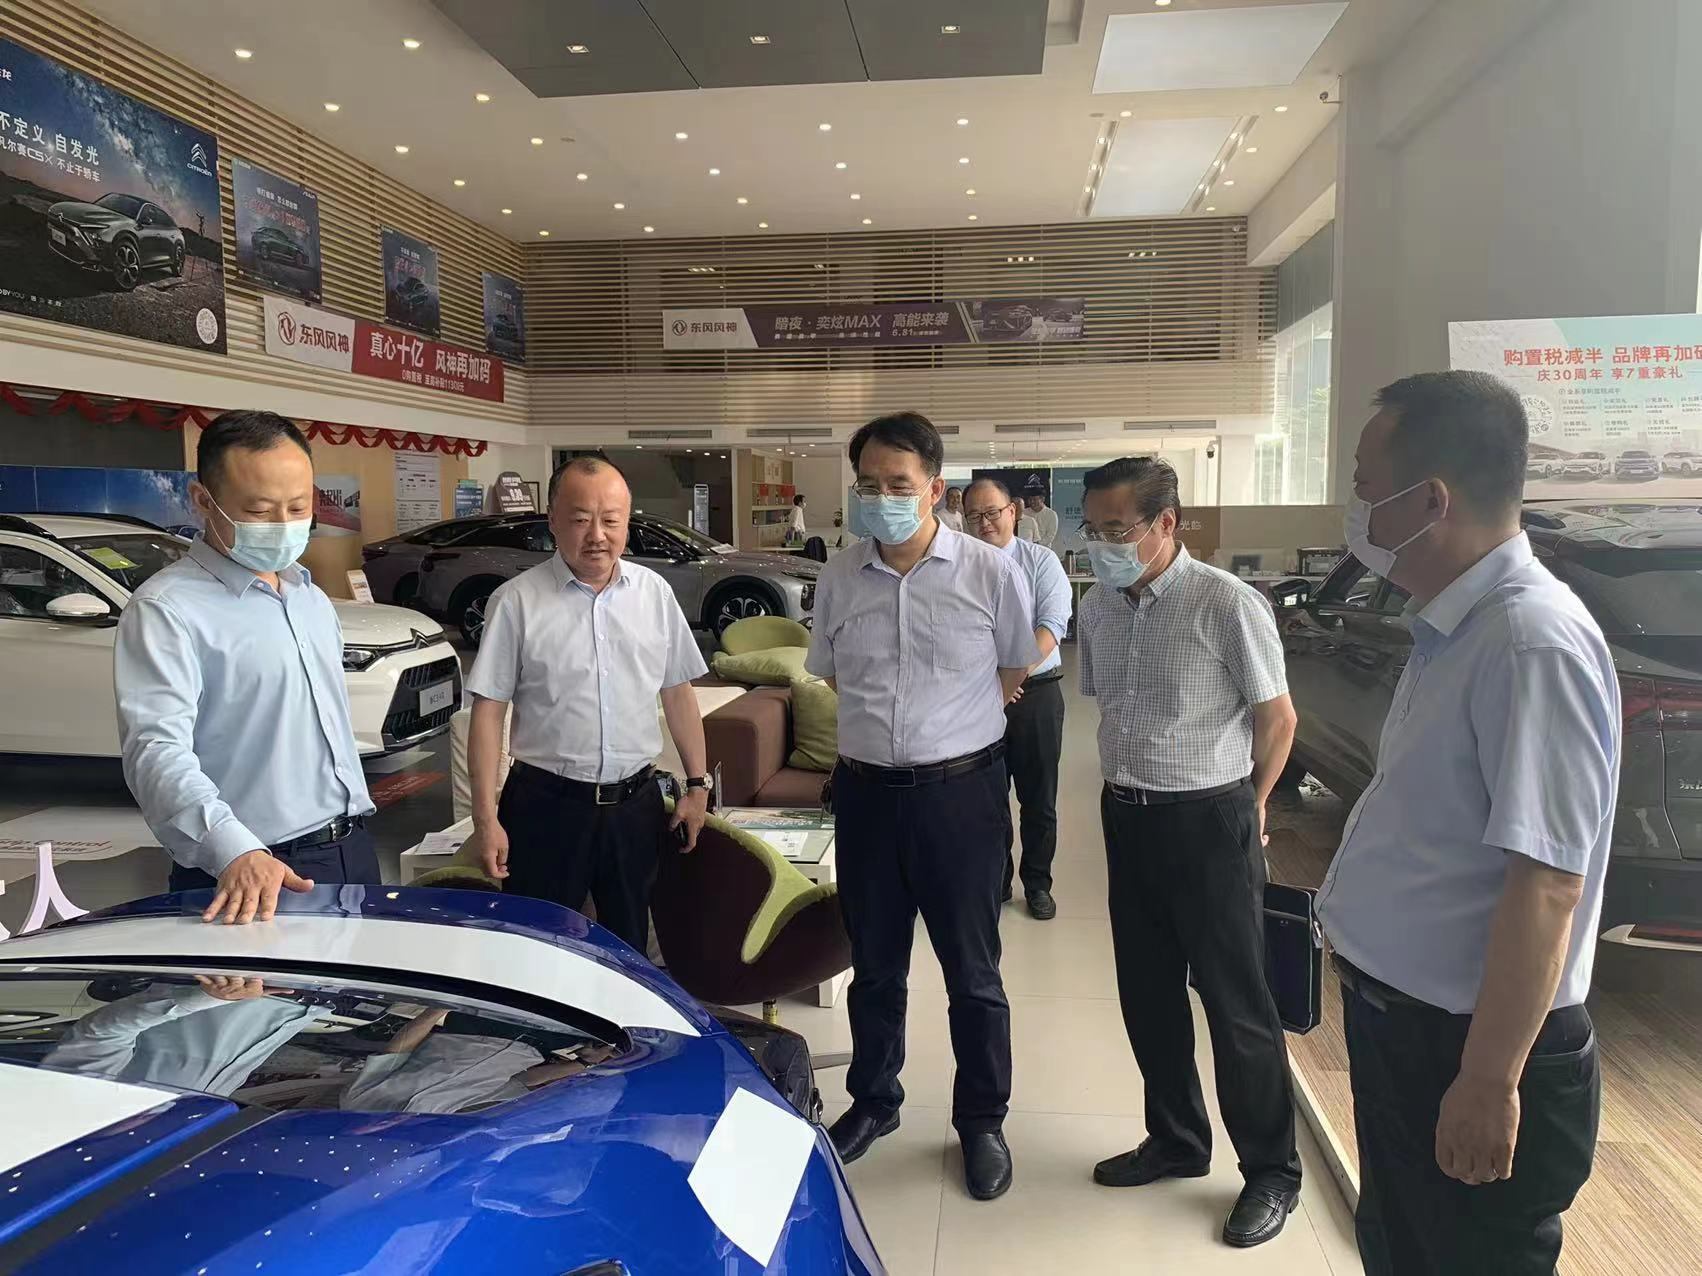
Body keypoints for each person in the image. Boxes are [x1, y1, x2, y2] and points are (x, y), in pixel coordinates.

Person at [1317, 372, 1617, 1276]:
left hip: (1467, 1048)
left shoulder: (1529, 643)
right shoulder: (1457, 628)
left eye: (1367, 488)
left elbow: (1549, 882)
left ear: (1430, 501)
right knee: (1402, 1249)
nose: (1358, 510)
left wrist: (1489, 1080)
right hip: (1409, 1032)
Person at [807, 412, 1037, 1202]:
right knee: (875, 967)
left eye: (898, 484)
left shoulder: (989, 571)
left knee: (973, 973)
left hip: (962, 798)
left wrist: (945, 731)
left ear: (935, 488)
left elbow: (1014, 668)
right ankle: (875, 1100)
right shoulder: (839, 577)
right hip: (867, 796)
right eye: (868, 485)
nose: (882, 498)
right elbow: (832, 673)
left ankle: (982, 1118)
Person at [1077, 455, 1303, 1249]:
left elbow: (1279, 719)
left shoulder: (1226, 602)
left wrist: (1254, 803)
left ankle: (1272, 1171)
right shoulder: (1098, 606)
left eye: (1117, 529)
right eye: (1092, 530)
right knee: (1147, 992)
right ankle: (1176, 1138)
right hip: (1127, 815)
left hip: (1210, 820)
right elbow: (1111, 707)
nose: (1102, 546)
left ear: (1166, 523)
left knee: (1238, 1005)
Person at [117, 410, 377, 925]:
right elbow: (155, 751)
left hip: (351, 847)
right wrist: (233, 849)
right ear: (202, 501)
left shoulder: (307, 596)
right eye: (259, 510)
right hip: (252, 871)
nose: (283, 525)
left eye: (298, 507)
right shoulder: (168, 610)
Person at [464, 457, 712, 954]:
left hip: (634, 809)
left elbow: (678, 692)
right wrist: (485, 819)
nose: (597, 535)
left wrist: (697, 785)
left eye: (611, 520)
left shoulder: (654, 594)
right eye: (580, 519)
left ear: (627, 522)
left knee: (629, 952)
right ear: (552, 521)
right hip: (544, 810)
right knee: (538, 951)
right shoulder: (516, 601)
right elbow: (488, 714)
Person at [963, 477, 1073, 920]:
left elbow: (1051, 625)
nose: (984, 523)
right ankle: (999, 879)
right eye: (974, 516)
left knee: (1038, 798)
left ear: (1013, 512)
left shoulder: (1040, 561)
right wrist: (992, 683)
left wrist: (1012, 675)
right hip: (979, 695)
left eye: (992, 512)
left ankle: (1038, 883)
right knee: (988, 798)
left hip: (1035, 694)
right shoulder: (959, 567)